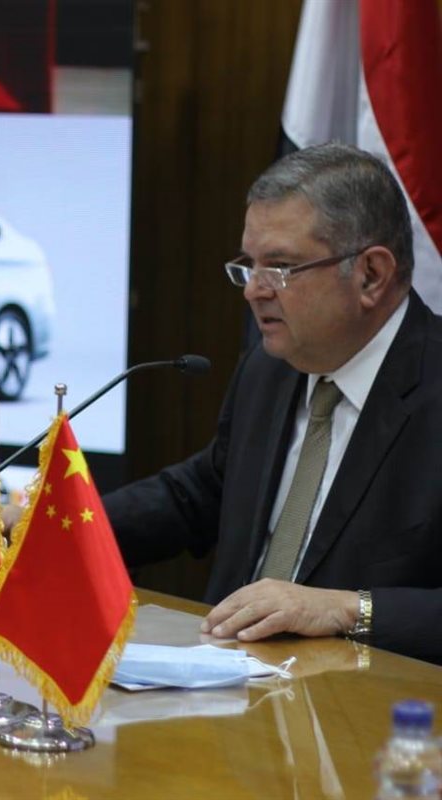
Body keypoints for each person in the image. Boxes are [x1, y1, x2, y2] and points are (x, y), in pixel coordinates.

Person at [101, 143, 441, 664]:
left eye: (280, 267)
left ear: (371, 274)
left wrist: (349, 609)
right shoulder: (270, 367)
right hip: (225, 683)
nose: (253, 291)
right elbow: (203, 492)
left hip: (364, 701)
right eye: (249, 265)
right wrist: (62, 525)